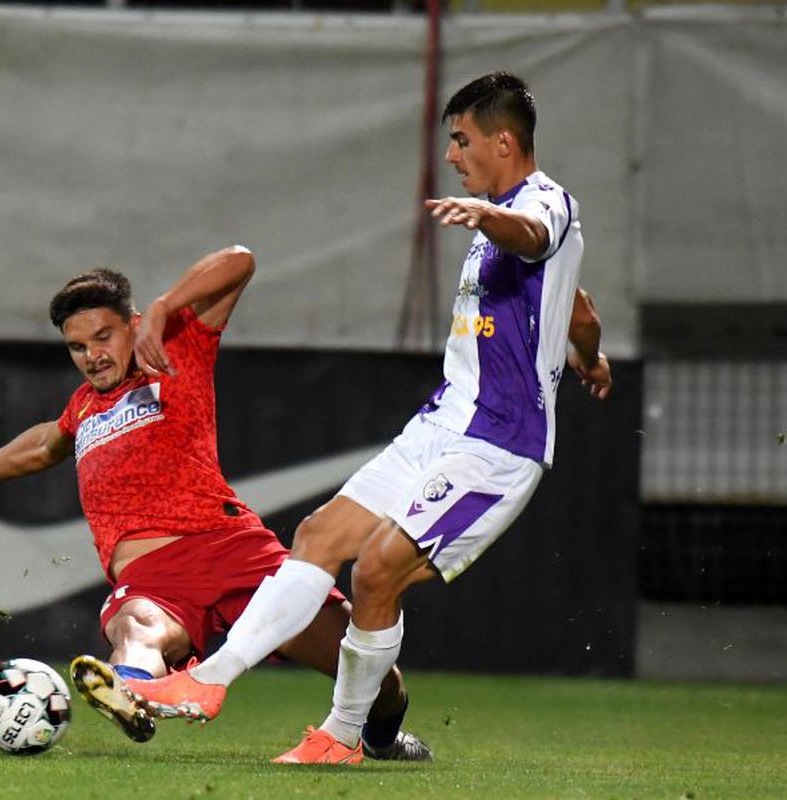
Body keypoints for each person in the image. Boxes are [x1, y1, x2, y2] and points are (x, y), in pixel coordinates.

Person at [124, 72, 613, 765]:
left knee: (378, 570)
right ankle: (208, 681)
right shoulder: (497, 223)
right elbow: (581, 310)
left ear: (504, 142)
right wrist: (590, 359)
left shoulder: (541, 204)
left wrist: (488, 218)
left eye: (461, 140)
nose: (452, 155)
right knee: (318, 534)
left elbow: (533, 238)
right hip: (440, 424)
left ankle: (343, 735)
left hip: (498, 442)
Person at [0, 246, 431, 759]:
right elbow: (44, 446)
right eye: (77, 346)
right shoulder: (83, 407)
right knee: (136, 626)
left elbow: (240, 261)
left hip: (233, 549)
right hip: (152, 577)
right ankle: (131, 689)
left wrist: (166, 307)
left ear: (133, 324)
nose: (92, 355)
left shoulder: (176, 346)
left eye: (103, 337)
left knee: (374, 678)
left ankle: (382, 738)